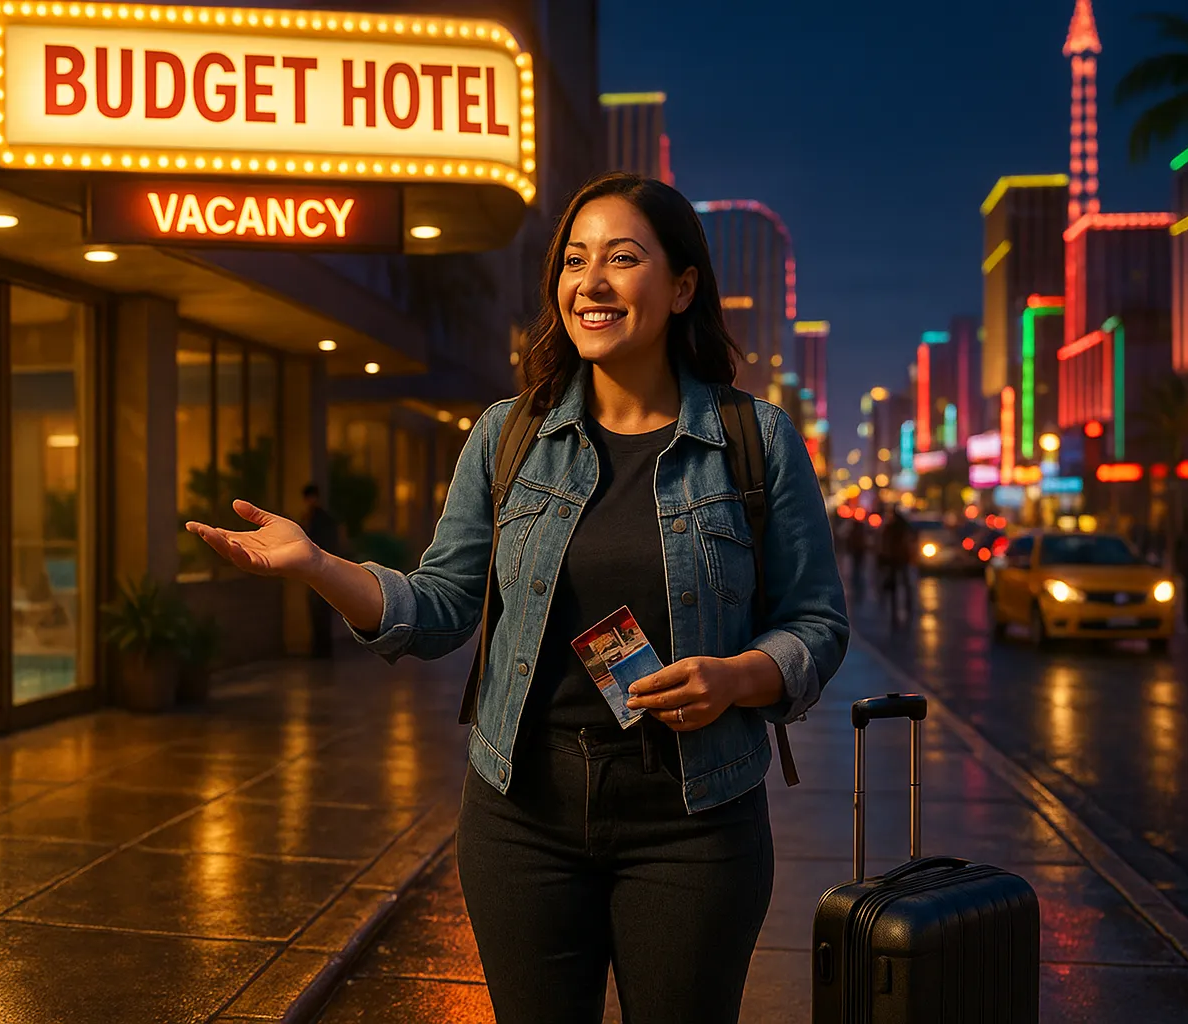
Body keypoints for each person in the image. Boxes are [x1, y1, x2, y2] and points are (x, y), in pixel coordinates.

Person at [185, 172, 849, 1024]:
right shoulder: (510, 433)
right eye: (575, 261)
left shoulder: (753, 442)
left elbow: (818, 625)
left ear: (683, 286)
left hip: (693, 819)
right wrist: (317, 565)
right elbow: (438, 606)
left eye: (623, 258)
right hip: (521, 814)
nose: (591, 282)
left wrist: (739, 678)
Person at [300, 483, 340, 658]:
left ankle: (322, 649)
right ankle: (320, 648)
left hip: (321, 569)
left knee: (321, 611)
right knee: (317, 611)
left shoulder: (322, 519)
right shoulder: (310, 517)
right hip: (314, 570)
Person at [877, 507, 914, 623]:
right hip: (901, 558)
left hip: (895, 558)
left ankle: (898, 606)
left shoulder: (891, 527)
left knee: (896, 584)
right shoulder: (903, 527)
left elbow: (885, 542)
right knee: (904, 582)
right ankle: (908, 603)